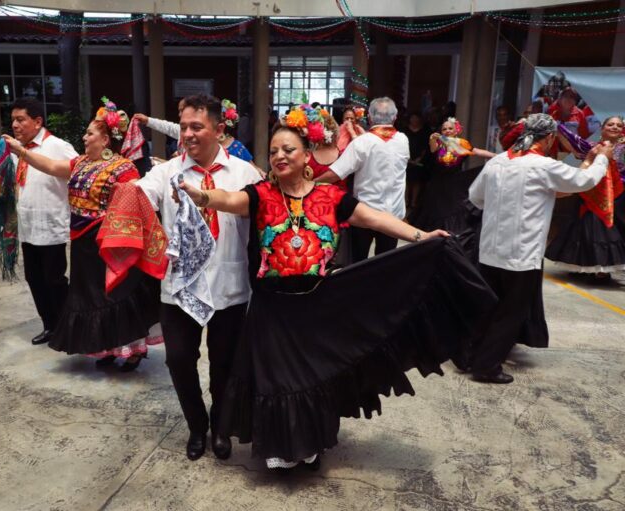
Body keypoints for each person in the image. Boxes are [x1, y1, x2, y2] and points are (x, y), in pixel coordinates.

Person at [177, 123, 495, 470]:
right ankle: (284, 448)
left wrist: (421, 236)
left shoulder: (331, 197)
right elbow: (228, 199)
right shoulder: (259, 194)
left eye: (288, 149)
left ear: (306, 156)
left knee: (313, 377)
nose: (279, 156)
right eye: (274, 151)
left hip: (318, 304)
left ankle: (310, 444)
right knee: (279, 380)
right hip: (273, 309)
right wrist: (204, 197)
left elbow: (374, 219)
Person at [136, 94, 261, 462]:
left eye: (196, 127)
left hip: (229, 285)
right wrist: (125, 193)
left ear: (219, 130)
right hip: (179, 288)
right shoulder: (165, 173)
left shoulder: (245, 173)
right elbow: (140, 196)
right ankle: (196, 425)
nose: (188, 134)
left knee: (224, 364)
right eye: (183, 127)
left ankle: (221, 426)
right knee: (178, 359)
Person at [1, 98, 162, 371]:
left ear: (105, 139)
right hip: (82, 242)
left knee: (115, 295)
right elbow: (51, 167)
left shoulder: (124, 169)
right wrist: (22, 153)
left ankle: (132, 351)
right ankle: (107, 346)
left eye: (89, 134)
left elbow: (136, 206)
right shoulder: (80, 163)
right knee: (91, 297)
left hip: (108, 241)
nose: (84, 138)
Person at [467, 113, 612, 384]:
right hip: (522, 253)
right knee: (511, 312)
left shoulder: (498, 161)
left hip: (490, 250)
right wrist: (602, 158)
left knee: (488, 308)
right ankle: (486, 366)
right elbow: (585, 181)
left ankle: (469, 357)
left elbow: (476, 197)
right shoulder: (543, 166)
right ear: (548, 138)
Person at [0, 98, 78, 346]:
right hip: (27, 228)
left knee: (54, 280)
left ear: (37, 121)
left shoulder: (57, 146)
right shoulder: (12, 150)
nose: (15, 125)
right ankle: (50, 325)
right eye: (13, 120)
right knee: (35, 279)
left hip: (51, 226)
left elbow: (79, 171)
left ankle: (69, 328)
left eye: (21, 119)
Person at [317, 97, 410, 261]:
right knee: (386, 261)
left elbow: (336, 173)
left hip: (365, 214)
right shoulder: (403, 140)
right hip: (393, 214)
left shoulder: (362, 142)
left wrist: (310, 182)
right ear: (395, 118)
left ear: (370, 118)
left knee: (358, 261)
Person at [546, 116, 625, 280]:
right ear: (602, 128)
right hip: (591, 195)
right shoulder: (592, 147)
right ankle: (584, 265)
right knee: (590, 230)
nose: (615, 127)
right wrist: (557, 126)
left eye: (619, 125)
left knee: (612, 231)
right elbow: (570, 139)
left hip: (617, 196)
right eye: (610, 124)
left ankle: (604, 267)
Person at [412, 117, 495, 233]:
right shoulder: (439, 142)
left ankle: (452, 231)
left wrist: (497, 156)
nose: (447, 131)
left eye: (450, 128)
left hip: (454, 182)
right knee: (435, 207)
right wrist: (432, 138)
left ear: (456, 131)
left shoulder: (462, 143)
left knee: (454, 207)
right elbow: (432, 149)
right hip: (437, 182)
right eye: (444, 129)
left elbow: (478, 151)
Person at [403, 112, 431, 215]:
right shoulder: (404, 131)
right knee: (406, 180)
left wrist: (419, 158)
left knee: (416, 181)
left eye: (416, 118)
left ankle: (413, 202)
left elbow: (426, 147)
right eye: (412, 118)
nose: (414, 120)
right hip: (406, 159)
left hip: (419, 160)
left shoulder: (425, 132)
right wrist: (407, 157)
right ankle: (406, 201)